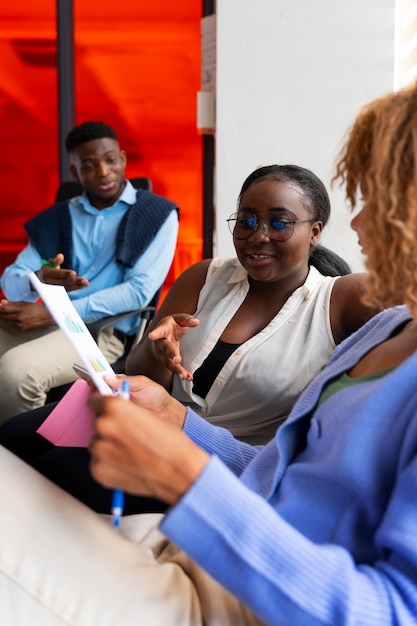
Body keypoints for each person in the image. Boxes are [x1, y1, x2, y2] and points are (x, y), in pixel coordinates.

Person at [1, 82, 417, 626]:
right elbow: (276, 473)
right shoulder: (389, 328)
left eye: (379, 205)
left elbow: (388, 613)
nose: (359, 227)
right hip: (209, 546)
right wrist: (177, 420)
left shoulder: (347, 305)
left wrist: (187, 478)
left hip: (245, 594)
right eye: (246, 220)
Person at [0, 164, 378, 517]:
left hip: (209, 463)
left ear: (315, 231)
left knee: (53, 470)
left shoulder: (338, 299)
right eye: (246, 220)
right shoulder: (206, 276)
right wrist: (157, 348)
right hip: (144, 422)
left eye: (279, 223)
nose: (257, 235)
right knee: (11, 439)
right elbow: (140, 373)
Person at [0, 121, 179, 422]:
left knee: (17, 372)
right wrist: (38, 280)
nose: (103, 171)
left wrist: (57, 312)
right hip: (49, 322)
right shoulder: (57, 218)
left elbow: (138, 292)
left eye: (110, 160)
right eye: (89, 165)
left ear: (122, 159)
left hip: (103, 332)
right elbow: (13, 276)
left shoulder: (158, 214)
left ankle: (20, 464)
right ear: (75, 172)